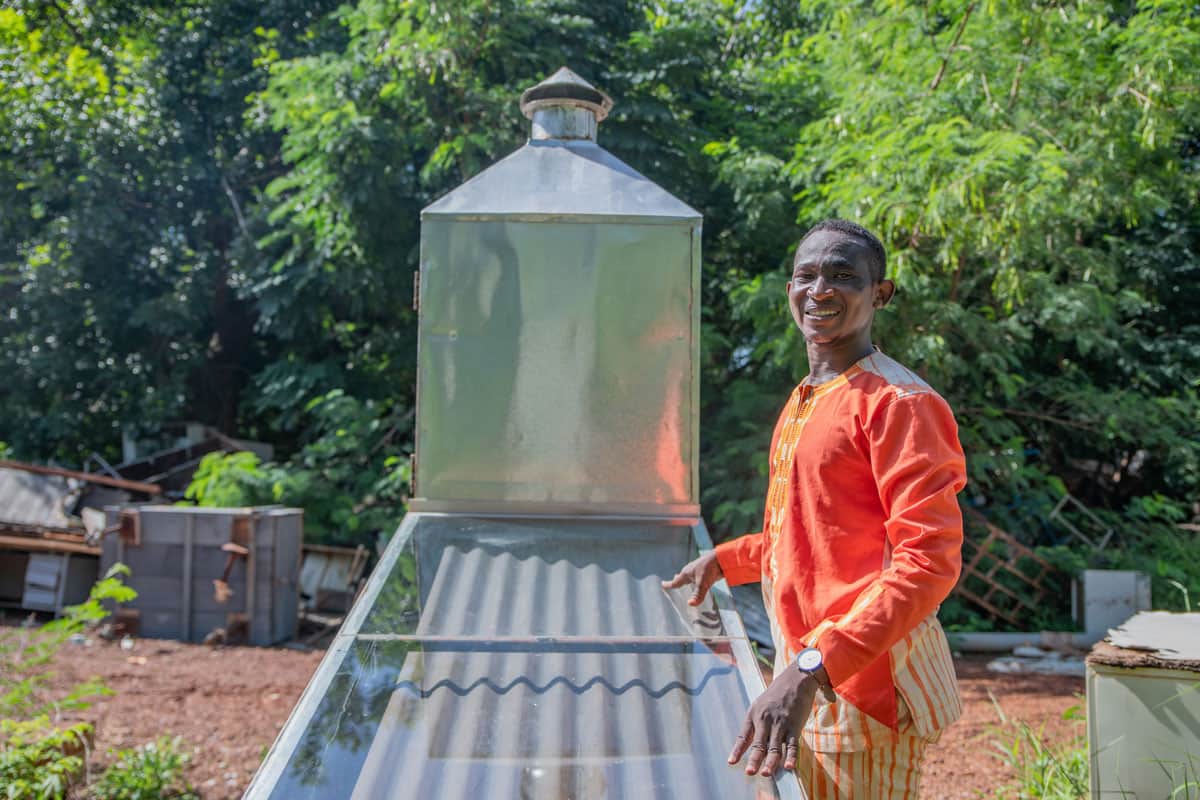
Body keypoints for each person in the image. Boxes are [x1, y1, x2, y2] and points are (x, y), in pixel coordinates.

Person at [663, 219, 966, 798]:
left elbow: (927, 564)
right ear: (789, 290)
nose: (820, 289)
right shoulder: (808, 397)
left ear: (880, 293)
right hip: (806, 676)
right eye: (807, 275)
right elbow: (807, 532)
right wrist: (726, 560)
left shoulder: (901, 405)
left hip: (864, 686)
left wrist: (810, 669)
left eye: (843, 275)